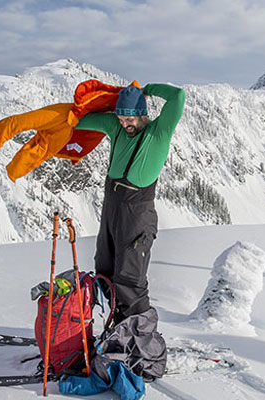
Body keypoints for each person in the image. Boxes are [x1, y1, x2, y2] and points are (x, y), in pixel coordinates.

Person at [75, 82, 185, 325]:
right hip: (112, 207)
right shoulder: (116, 128)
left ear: (143, 115)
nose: (126, 124)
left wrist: (147, 89)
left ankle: (139, 334)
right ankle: (116, 327)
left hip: (137, 212)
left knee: (130, 277)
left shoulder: (158, 132)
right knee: (104, 269)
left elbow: (177, 97)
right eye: (122, 117)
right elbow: (78, 121)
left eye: (131, 118)